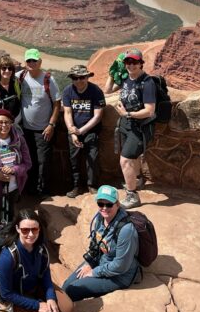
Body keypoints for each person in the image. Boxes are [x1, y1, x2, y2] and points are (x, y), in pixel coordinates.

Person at [0, 209, 74, 312]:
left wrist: (50, 298)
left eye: (35, 229)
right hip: (17, 295)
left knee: (67, 308)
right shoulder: (8, 256)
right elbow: (6, 293)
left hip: (35, 286)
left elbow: (46, 276)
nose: (31, 234)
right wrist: (38, 306)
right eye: (25, 230)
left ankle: (41, 304)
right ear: (17, 229)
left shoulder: (40, 248)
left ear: (39, 229)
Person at [62, 185, 139, 301]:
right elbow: (95, 245)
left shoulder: (126, 230)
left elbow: (121, 266)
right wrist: (89, 263)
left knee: (73, 290)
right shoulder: (99, 218)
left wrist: (94, 272)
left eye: (109, 204)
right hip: (100, 261)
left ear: (118, 204)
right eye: (100, 204)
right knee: (66, 286)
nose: (104, 208)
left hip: (119, 276)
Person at [103, 48, 156, 209]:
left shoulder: (147, 83)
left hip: (140, 127)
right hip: (126, 124)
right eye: (128, 62)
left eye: (134, 62)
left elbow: (149, 110)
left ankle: (132, 195)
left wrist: (128, 114)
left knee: (125, 159)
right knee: (131, 158)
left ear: (141, 63)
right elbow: (108, 90)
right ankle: (136, 180)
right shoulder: (126, 79)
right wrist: (112, 73)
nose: (131, 65)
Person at [18, 48, 61, 196]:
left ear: (40, 62)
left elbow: (57, 103)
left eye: (34, 60)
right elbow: (1, 80)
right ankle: (30, 189)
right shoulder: (21, 76)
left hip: (43, 129)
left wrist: (51, 125)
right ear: (25, 62)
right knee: (29, 160)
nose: (31, 63)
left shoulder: (48, 79)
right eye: (28, 60)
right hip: (25, 129)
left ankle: (43, 190)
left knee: (43, 161)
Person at [62, 64, 105, 198]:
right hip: (74, 131)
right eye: (75, 78)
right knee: (73, 159)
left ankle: (92, 185)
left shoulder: (95, 90)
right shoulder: (68, 91)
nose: (79, 80)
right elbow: (67, 113)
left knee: (92, 158)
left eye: (82, 77)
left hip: (91, 130)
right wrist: (72, 132)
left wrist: (81, 131)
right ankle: (75, 186)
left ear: (87, 77)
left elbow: (98, 116)